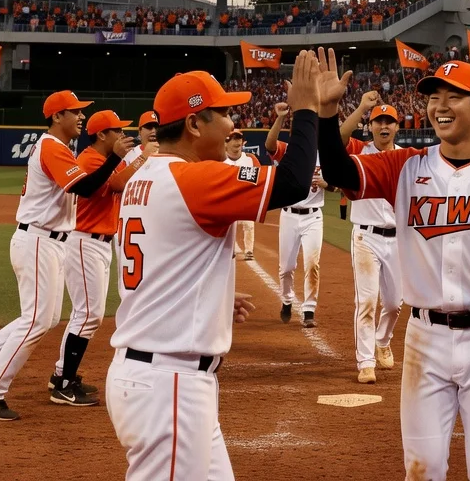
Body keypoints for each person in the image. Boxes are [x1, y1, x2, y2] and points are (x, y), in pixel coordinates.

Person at [317, 55, 470, 481]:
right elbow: (339, 169)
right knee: (422, 470)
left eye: (455, 97)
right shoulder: (406, 166)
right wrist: (326, 115)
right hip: (423, 339)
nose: (440, 106)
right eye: (434, 98)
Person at [107, 61, 324, 479]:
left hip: (161, 374)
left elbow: (164, 259)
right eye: (223, 113)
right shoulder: (195, 179)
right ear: (193, 122)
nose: (231, 122)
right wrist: (307, 110)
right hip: (168, 384)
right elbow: (295, 182)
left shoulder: (143, 176)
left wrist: (209, 297)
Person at [0, 90, 130, 421]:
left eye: (81, 112)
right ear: (55, 117)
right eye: (74, 112)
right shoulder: (51, 147)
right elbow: (85, 188)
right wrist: (114, 159)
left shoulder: (59, 148)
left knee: (43, 319)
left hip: (49, 241)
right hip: (38, 240)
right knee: (36, 319)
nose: (81, 117)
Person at [48, 109, 136, 408]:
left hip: (96, 243)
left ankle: (62, 375)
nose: (122, 136)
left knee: (86, 314)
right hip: (85, 241)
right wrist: (142, 158)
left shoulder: (99, 159)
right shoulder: (89, 159)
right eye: (117, 131)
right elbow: (115, 184)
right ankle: (62, 383)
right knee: (88, 315)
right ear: (102, 135)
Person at [338, 92, 405, 384]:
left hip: (398, 240)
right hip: (366, 237)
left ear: (397, 128)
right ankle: (365, 361)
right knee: (366, 302)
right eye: (379, 121)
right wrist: (362, 107)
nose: (384, 126)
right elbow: (337, 138)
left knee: (395, 304)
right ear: (371, 126)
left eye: (389, 121)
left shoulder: (406, 157)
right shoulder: (357, 149)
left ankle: (382, 340)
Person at [266, 102, 329, 327]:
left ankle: (309, 309)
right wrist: (280, 118)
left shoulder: (326, 156)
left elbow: (337, 184)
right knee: (286, 268)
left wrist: (328, 183)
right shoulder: (289, 152)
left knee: (313, 263)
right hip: (290, 215)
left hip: (314, 216)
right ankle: (286, 299)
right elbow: (269, 144)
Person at [222, 130, 262, 260]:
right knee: (227, 227)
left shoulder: (250, 159)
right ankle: (230, 249)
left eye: (239, 139)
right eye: (233, 139)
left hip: (245, 199)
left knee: (249, 225)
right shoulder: (221, 159)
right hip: (227, 201)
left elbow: (259, 178)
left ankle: (249, 250)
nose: (237, 142)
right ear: (226, 143)